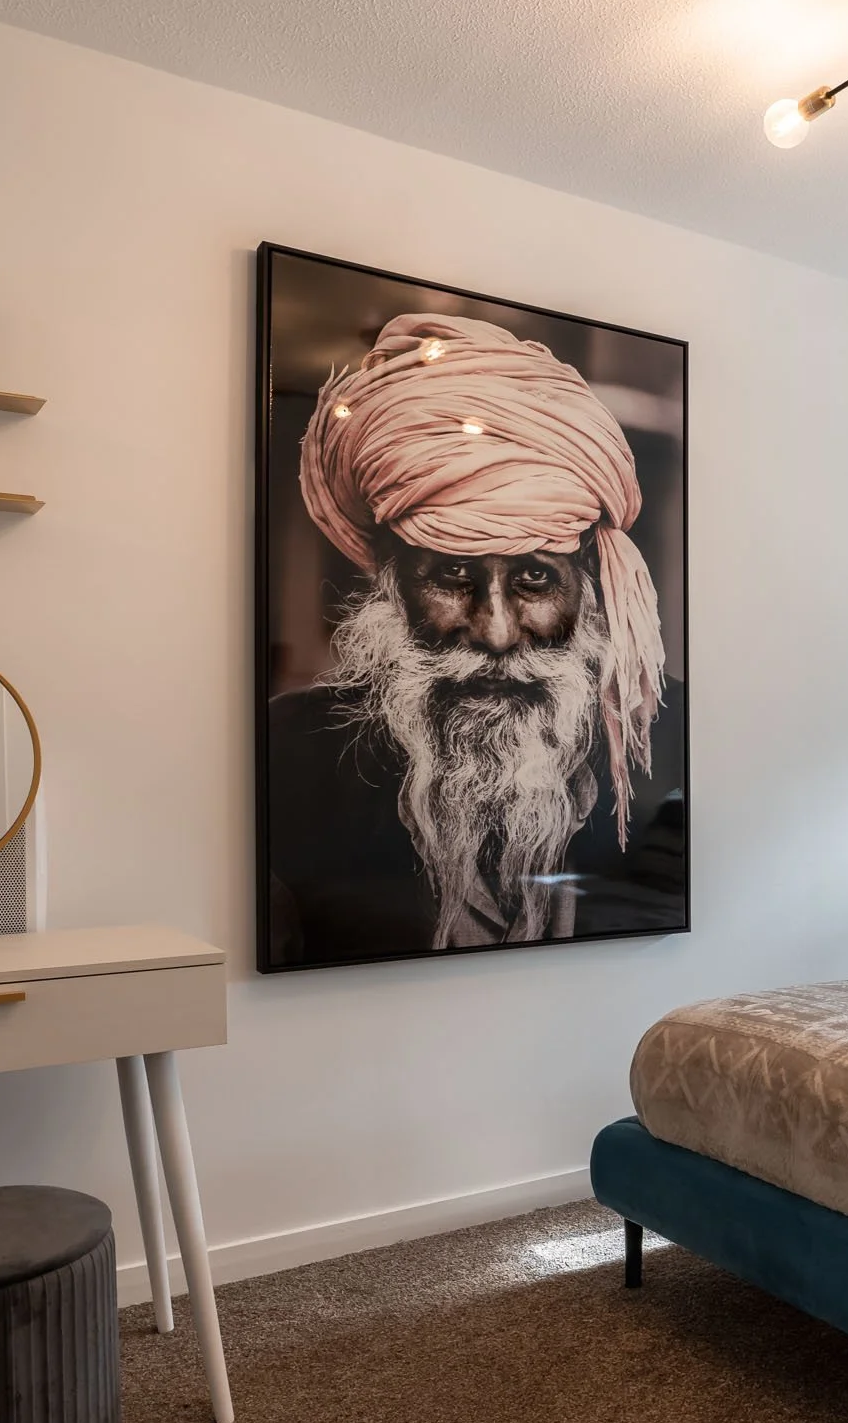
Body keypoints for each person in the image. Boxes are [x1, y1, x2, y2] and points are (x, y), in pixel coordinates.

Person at [264, 313, 686, 967]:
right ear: (391, 583)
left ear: (587, 583)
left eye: (535, 578)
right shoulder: (291, 752)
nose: (496, 631)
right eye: (453, 575)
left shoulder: (674, 734)